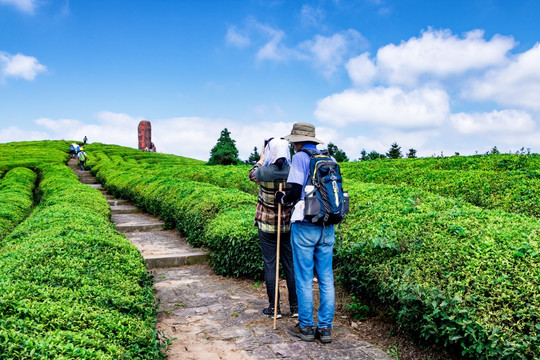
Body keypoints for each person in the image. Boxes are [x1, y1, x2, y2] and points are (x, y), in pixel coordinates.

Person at [276, 122, 335, 343]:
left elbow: (294, 192)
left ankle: (307, 328)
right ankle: (326, 328)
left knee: (304, 277)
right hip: (327, 226)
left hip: (305, 226)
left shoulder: (300, 157)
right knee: (326, 278)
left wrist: (282, 199)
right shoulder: (329, 159)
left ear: (296, 141)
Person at [249, 138, 298, 319]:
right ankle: (295, 307)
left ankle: (274, 308)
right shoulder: (292, 171)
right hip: (287, 225)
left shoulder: (262, 171)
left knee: (270, 265)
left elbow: (251, 174)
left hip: (267, 224)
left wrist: (262, 157)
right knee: (290, 265)